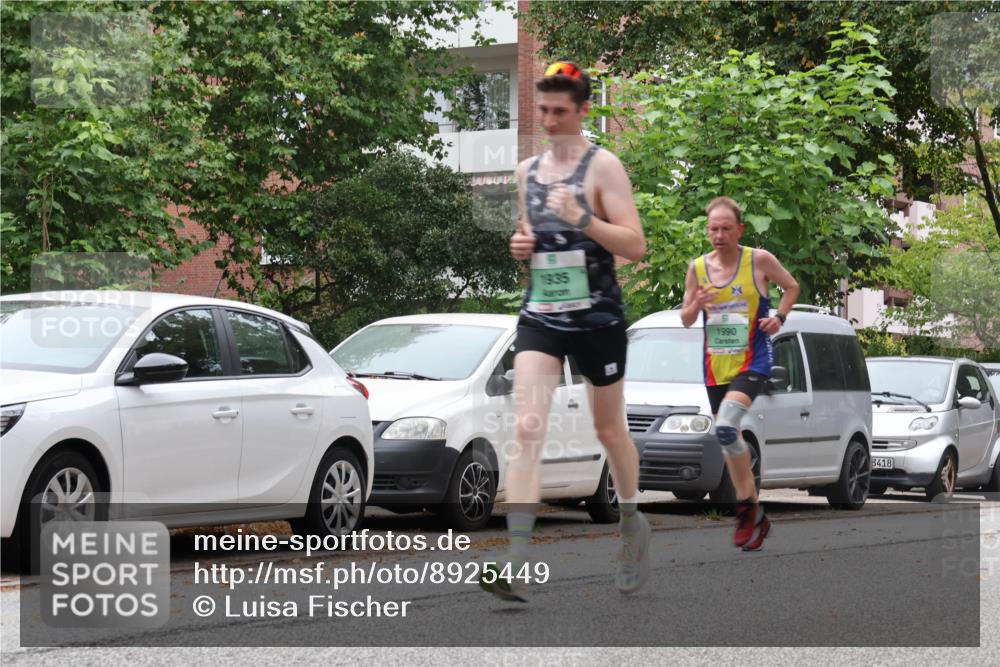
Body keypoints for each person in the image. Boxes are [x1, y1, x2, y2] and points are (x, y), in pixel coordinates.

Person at [480, 61, 648, 602]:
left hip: (597, 318)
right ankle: (518, 558)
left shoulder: (605, 168)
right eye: (542, 110)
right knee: (528, 425)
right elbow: (530, 238)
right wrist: (519, 247)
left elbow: (634, 245)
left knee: (608, 431)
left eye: (559, 111)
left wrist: (584, 219)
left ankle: (632, 527)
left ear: (582, 111)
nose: (548, 120)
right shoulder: (527, 172)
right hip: (542, 317)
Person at [680, 196, 800, 551]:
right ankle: (752, 510)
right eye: (713, 229)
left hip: (754, 360)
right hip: (716, 366)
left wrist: (778, 317)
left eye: (726, 229)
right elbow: (686, 319)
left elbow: (791, 287)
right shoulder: (697, 268)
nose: (719, 235)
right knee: (728, 437)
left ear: (739, 230)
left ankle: (745, 508)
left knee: (726, 426)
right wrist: (696, 305)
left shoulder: (758, 261)